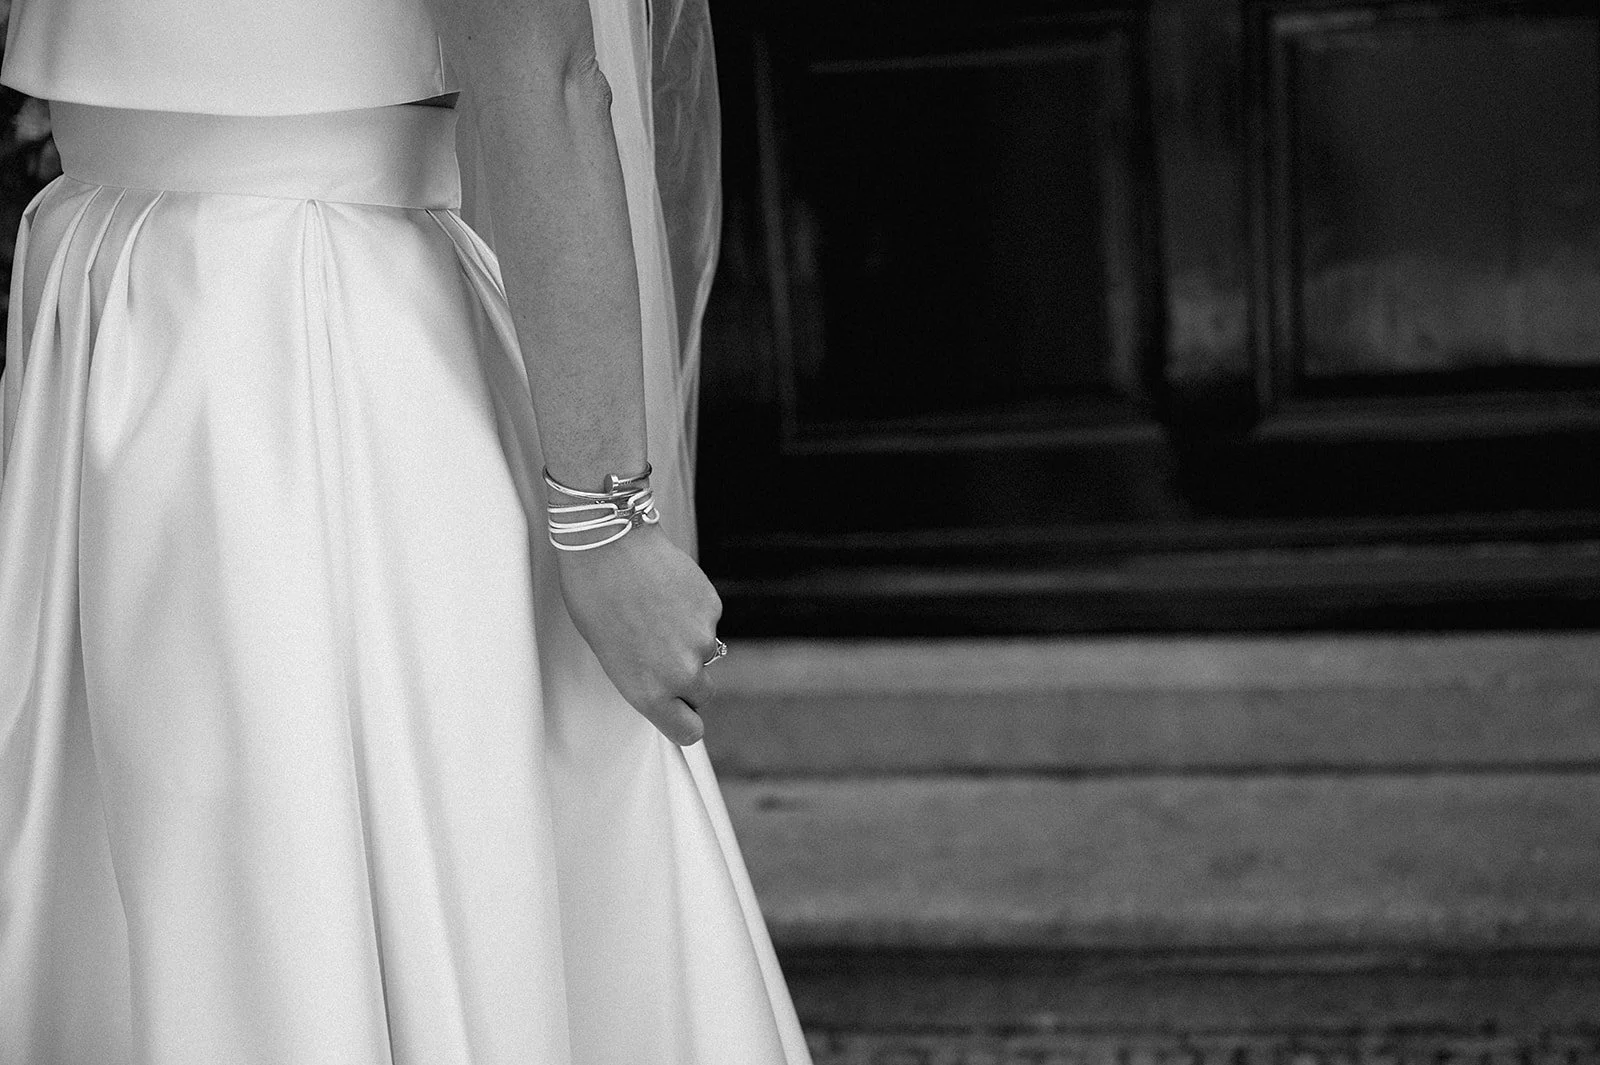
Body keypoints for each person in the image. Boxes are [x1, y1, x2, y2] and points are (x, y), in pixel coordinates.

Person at [0, 0, 813, 1060]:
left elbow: (552, 84)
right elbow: (555, 84)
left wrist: (603, 522)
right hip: (179, 318)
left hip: (290, 331)